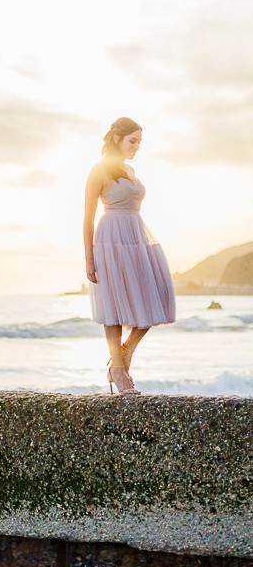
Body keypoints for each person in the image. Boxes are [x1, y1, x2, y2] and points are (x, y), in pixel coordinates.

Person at [83, 117, 175, 394]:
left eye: (139, 142)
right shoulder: (99, 170)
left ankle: (125, 353)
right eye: (132, 141)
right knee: (112, 306)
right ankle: (120, 374)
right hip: (110, 239)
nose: (136, 147)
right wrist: (89, 258)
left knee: (155, 297)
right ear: (116, 139)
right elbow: (87, 217)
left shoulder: (130, 169)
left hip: (136, 238)